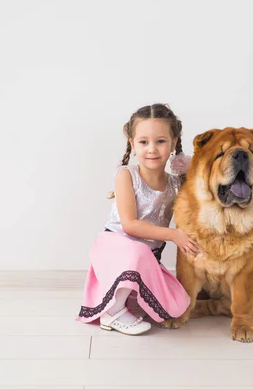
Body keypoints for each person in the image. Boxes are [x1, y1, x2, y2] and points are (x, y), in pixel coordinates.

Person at [76, 103, 199, 335]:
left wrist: (189, 164)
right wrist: (174, 235)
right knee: (138, 252)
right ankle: (111, 312)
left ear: (174, 143)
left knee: (179, 303)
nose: (152, 149)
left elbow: (202, 181)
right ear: (132, 144)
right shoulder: (126, 175)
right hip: (114, 248)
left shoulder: (175, 184)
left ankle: (131, 296)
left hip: (146, 257)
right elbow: (130, 225)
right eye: (143, 142)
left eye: (161, 141)